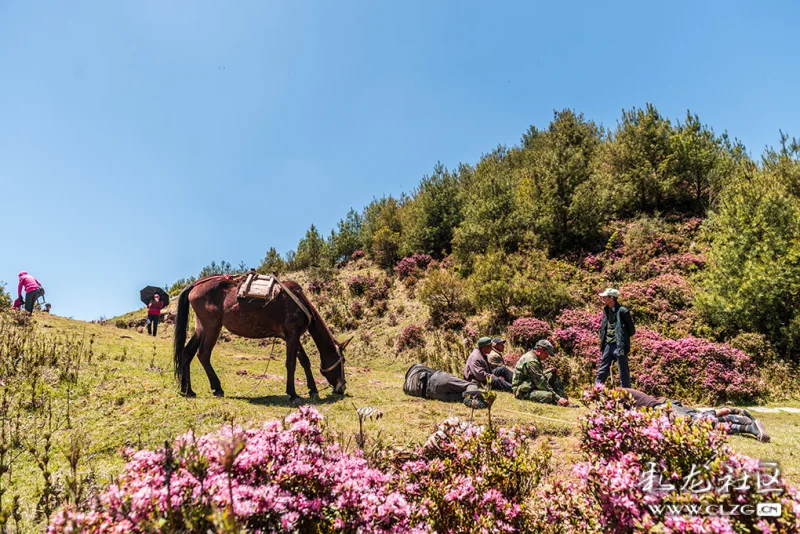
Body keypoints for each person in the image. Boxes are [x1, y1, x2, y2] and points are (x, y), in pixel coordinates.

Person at [619, 388, 769, 442]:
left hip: (663, 409)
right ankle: (745, 423)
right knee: (702, 423)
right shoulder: (621, 393)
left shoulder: (617, 394)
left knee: (698, 421)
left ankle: (744, 422)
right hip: (666, 407)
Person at [512, 339, 574, 406]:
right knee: (548, 396)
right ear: (540, 349)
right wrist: (557, 397)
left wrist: (549, 370)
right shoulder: (531, 361)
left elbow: (537, 375)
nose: (547, 356)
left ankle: (564, 400)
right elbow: (540, 381)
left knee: (552, 374)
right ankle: (559, 401)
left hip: (529, 385)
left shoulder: (534, 357)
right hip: (522, 391)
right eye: (546, 354)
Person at [596, 288, 636, 388]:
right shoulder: (606, 310)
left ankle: (625, 392)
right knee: (602, 369)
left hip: (619, 345)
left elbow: (631, 330)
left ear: (611, 298)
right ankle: (596, 390)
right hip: (608, 344)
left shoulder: (623, 311)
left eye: (605, 297)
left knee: (623, 371)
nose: (603, 298)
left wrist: (622, 339)